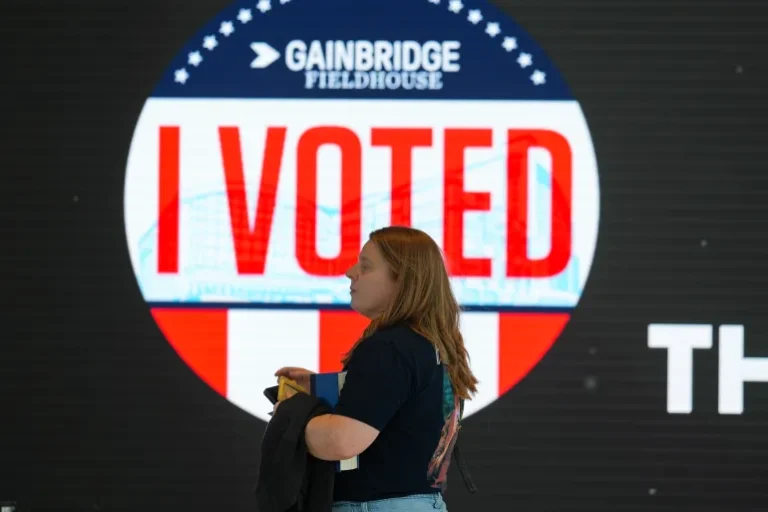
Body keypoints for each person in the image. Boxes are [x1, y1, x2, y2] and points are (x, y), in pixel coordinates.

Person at [274, 226, 479, 511]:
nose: (350, 272)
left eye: (366, 266)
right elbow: (399, 410)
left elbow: (341, 441)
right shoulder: (431, 347)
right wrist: (323, 387)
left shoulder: (389, 348)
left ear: (403, 280)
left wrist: (291, 414)